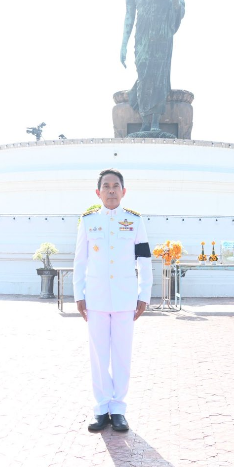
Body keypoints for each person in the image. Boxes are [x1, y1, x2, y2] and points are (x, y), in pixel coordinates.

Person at [74, 169, 152, 433]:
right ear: (98, 192)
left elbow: (144, 260)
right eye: (105, 186)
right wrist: (78, 294)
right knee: (97, 354)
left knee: (121, 354)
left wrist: (144, 294)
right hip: (95, 297)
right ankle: (101, 408)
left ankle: (118, 408)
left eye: (115, 186)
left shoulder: (135, 221)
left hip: (124, 297)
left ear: (123, 191)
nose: (110, 190)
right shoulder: (87, 222)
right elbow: (80, 260)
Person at [120, 0, 185, 133]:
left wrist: (176, 5)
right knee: (145, 74)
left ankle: (155, 123)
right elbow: (129, 15)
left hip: (163, 36)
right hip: (143, 36)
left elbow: (180, 11)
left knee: (158, 76)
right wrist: (123, 45)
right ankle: (145, 122)